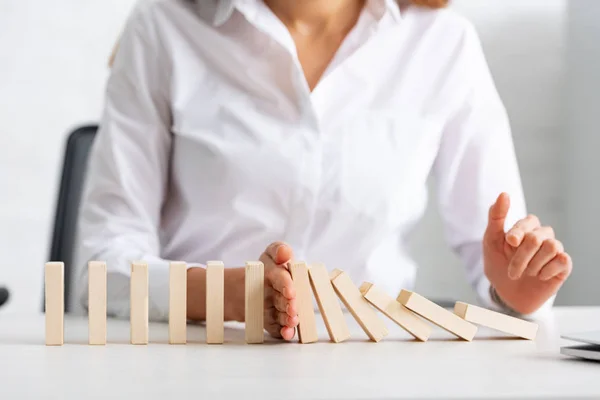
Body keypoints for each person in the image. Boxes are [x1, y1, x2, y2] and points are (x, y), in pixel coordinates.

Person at [75, 0, 572, 341]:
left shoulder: (443, 43)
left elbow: (498, 257)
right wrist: (233, 296)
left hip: (370, 366)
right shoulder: (163, 28)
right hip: (194, 361)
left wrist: (517, 292)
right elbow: (100, 271)